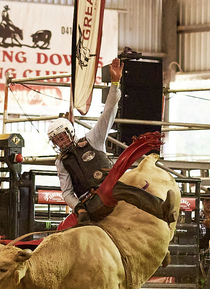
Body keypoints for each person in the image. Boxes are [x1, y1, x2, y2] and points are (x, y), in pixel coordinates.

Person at [48, 57, 175, 226]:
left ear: (70, 132)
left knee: (117, 186)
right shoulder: (61, 162)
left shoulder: (92, 139)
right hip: (91, 202)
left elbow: (108, 113)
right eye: (57, 140)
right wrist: (79, 208)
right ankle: (161, 209)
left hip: (110, 187)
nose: (61, 143)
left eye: (62, 137)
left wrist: (115, 83)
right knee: (114, 188)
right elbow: (67, 192)